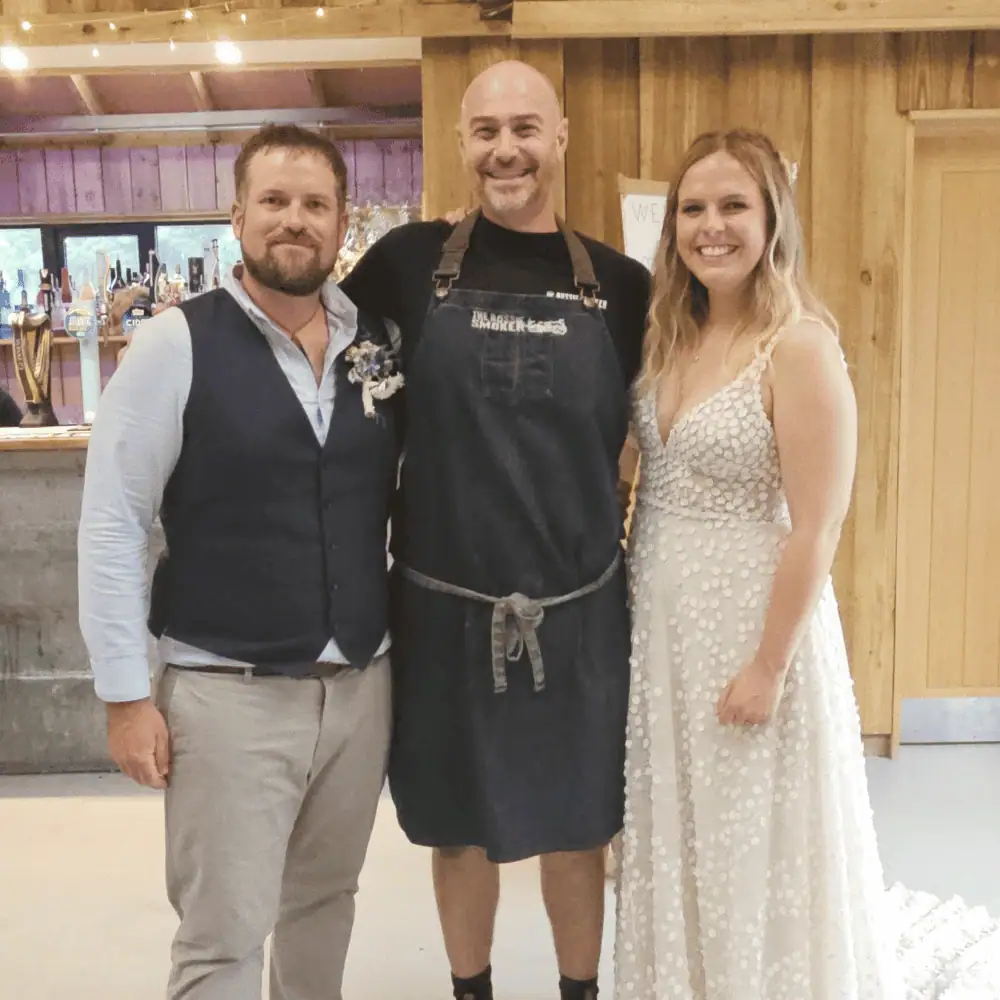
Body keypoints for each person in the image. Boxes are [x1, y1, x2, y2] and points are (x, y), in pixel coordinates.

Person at [340, 60, 650, 1000]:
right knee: (458, 827)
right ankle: (468, 989)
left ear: (560, 138)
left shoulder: (624, 287)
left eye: (525, 129)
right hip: (443, 610)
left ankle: (579, 991)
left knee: (578, 827)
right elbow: (319, 359)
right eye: (485, 132)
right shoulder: (405, 265)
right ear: (462, 143)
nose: (505, 150)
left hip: (582, 612)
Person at [77, 123, 402, 1000]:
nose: (294, 219)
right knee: (221, 935)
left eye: (315, 204)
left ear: (342, 225)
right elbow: (112, 523)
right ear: (237, 217)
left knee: (324, 905)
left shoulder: (376, 343)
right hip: (229, 693)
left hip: (359, 688)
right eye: (274, 200)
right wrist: (124, 696)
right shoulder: (174, 344)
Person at [614, 128, 903, 999]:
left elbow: (818, 525)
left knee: (752, 836)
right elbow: (635, 468)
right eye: (692, 209)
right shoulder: (669, 337)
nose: (711, 227)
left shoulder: (800, 345)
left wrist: (770, 666)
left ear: (774, 218)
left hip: (752, 628)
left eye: (734, 206)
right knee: (684, 828)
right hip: (663, 630)